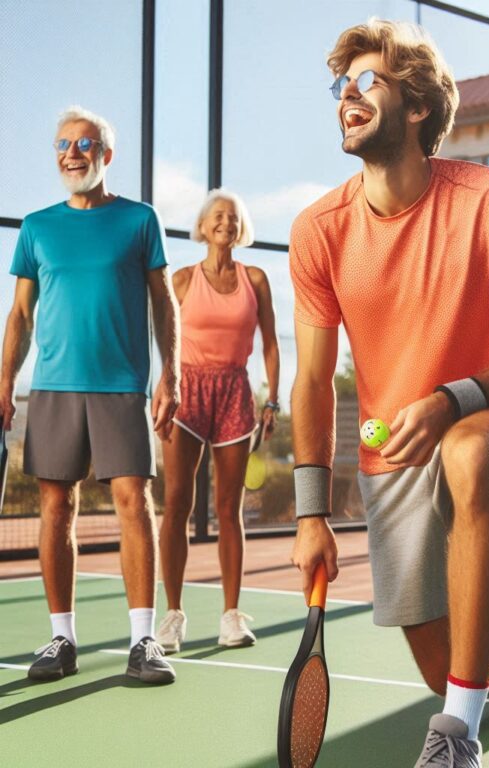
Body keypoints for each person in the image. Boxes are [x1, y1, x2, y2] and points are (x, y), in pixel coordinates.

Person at [288, 20, 489, 767]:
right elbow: (313, 378)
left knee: (471, 456)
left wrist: (451, 399)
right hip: (390, 443)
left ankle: (456, 740)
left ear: (416, 108)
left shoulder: (488, 199)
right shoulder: (318, 231)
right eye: (342, 85)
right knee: (445, 661)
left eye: (368, 81)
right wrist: (311, 511)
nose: (348, 93)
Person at [0, 106, 180, 684]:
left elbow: (163, 301)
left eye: (85, 142)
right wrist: (4, 382)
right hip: (51, 387)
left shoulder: (139, 220)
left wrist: (169, 373)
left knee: (134, 501)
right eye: (63, 143)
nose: (72, 152)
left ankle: (143, 640)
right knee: (56, 508)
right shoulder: (37, 226)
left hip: (121, 386)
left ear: (107, 154)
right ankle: (62, 638)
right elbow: (21, 315)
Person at [156, 189, 279, 653]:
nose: (225, 222)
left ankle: (231, 616)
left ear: (239, 227)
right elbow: (165, 337)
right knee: (176, 504)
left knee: (230, 509)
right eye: (217, 216)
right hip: (187, 393)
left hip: (235, 393)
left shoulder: (257, 279)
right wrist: (164, 387)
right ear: (204, 227)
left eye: (232, 217)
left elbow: (270, 343)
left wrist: (273, 400)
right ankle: (172, 616)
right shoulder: (184, 279)